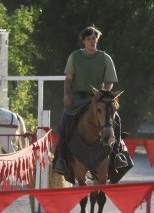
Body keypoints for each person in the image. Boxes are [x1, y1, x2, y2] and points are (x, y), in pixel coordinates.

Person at [54, 25, 128, 174]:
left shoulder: (105, 58)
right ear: (83, 41)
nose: (92, 41)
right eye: (89, 39)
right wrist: (66, 95)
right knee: (64, 121)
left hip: (97, 99)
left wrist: (104, 95)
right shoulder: (74, 57)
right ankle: (62, 159)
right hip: (76, 99)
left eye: (94, 38)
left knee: (117, 120)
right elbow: (68, 80)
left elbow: (109, 81)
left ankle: (117, 155)